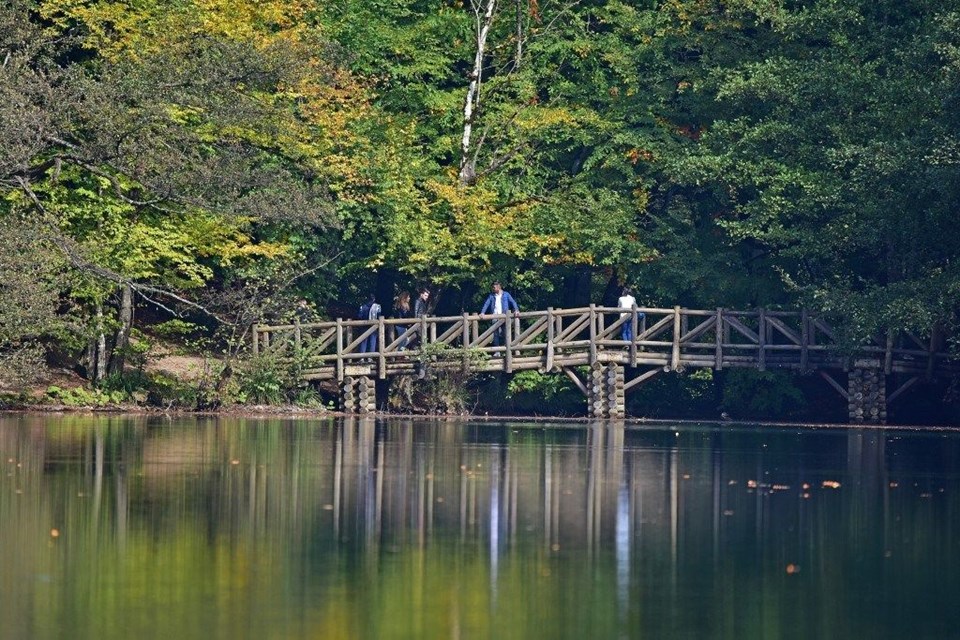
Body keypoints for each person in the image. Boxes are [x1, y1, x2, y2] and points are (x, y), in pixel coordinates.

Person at [480, 281, 519, 347]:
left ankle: (508, 349)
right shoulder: (491, 296)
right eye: (492, 287)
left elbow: (513, 302)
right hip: (495, 316)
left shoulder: (506, 294)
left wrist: (516, 310)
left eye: (494, 287)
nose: (493, 288)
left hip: (504, 317)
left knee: (506, 333)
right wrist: (482, 313)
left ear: (499, 287)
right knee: (495, 334)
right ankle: (497, 351)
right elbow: (486, 304)